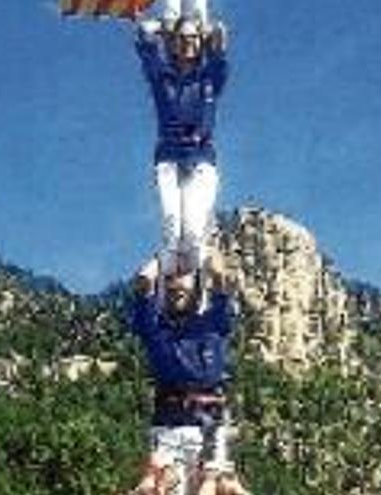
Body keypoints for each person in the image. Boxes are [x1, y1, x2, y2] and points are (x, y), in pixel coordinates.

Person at [128, 253, 249, 495]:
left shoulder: (213, 322)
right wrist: (161, 260)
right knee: (159, 488)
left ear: (196, 287)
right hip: (168, 427)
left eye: (183, 281)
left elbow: (221, 282)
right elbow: (142, 286)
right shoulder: (155, 329)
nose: (176, 286)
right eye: (170, 283)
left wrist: (208, 259)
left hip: (209, 424)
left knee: (215, 488)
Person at [135, 9, 229, 282]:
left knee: (194, 231)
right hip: (168, 160)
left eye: (193, 38)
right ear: (172, 43)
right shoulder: (161, 77)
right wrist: (161, 29)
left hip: (200, 159)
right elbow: (145, 41)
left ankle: (199, 288)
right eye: (182, 39)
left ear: (201, 42)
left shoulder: (209, 78)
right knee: (172, 227)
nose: (188, 43)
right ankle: (162, 280)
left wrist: (210, 32)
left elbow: (220, 44)